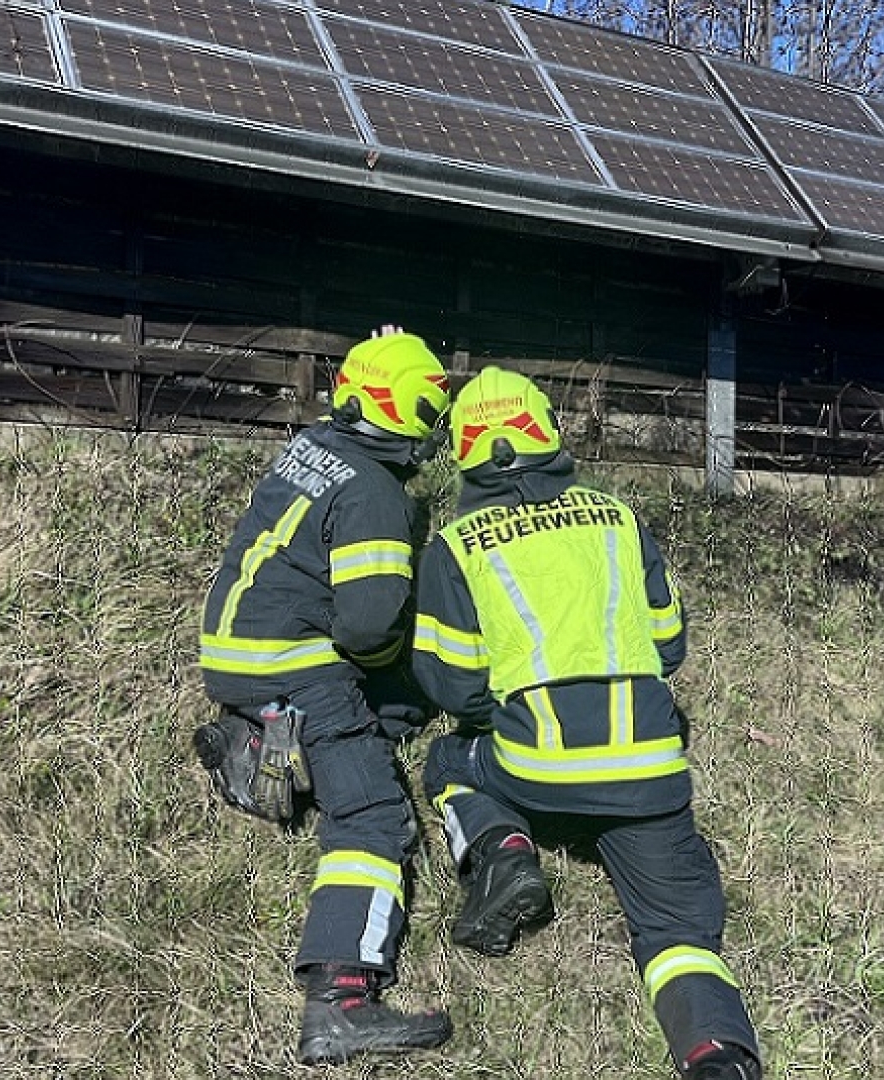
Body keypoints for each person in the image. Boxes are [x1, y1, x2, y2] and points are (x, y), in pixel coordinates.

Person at [410, 366, 764, 1080]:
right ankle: (714, 1055)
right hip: (647, 774)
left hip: (536, 764)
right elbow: (670, 644)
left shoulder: (457, 543)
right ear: (547, 431)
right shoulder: (620, 518)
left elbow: (448, 682)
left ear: (467, 451)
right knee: (676, 934)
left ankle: (503, 849)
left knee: (448, 762)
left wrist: (499, 714)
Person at [191, 325, 454, 1065]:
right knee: (373, 817)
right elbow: (368, 627)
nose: (434, 429)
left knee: (389, 711)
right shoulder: (376, 493)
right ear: (401, 411)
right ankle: (341, 1000)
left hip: (234, 651)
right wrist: (390, 652)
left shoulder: (315, 445)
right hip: (297, 663)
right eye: (428, 411)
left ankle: (258, 740)